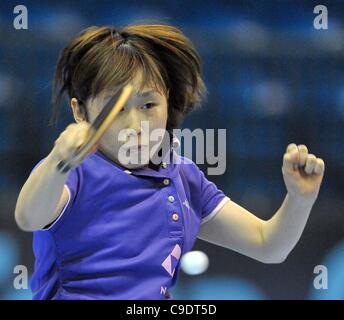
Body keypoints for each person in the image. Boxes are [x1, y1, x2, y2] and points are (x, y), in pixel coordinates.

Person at [14, 24, 325, 300]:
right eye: (116, 108)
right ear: (80, 111)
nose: (136, 124)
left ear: (168, 105)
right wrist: (59, 161)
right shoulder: (73, 173)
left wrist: (299, 199)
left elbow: (268, 245)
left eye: (148, 104)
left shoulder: (184, 177)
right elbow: (29, 217)